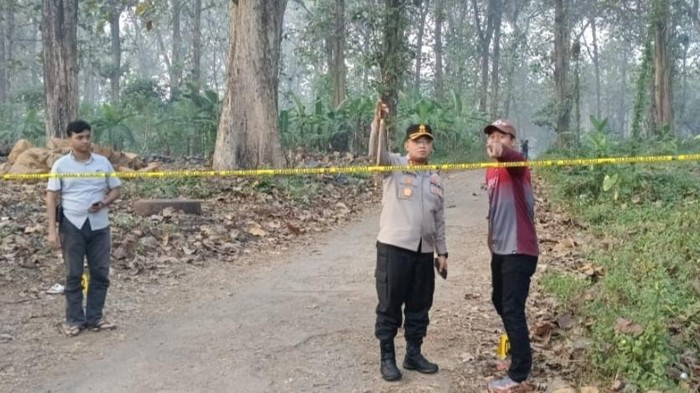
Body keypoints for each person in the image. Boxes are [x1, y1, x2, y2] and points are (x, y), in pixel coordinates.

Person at [368, 100, 448, 382]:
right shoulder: (394, 166)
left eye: (427, 141)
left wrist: (442, 252)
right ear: (407, 145)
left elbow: (438, 219)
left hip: (423, 253)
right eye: (417, 141)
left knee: (419, 306)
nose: (423, 146)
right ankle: (387, 358)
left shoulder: (435, 177)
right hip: (394, 249)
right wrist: (379, 124)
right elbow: (376, 157)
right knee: (389, 304)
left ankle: (413, 353)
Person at [46, 120, 122, 337]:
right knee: (73, 274)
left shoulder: (102, 162)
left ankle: (95, 317)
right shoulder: (61, 165)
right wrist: (52, 230)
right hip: (72, 224)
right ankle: (74, 320)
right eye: (79, 137)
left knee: (100, 272)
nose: (85, 141)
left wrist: (105, 202)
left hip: (99, 225)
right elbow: (51, 197)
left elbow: (116, 189)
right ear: (69, 139)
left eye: (87, 136)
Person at [483, 119, 539, 392]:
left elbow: (513, 158)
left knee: (512, 307)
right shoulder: (490, 172)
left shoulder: (518, 166)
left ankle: (519, 373)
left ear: (512, 142)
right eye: (491, 136)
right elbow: (494, 207)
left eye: (501, 137)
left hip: (520, 249)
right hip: (501, 249)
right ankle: (518, 350)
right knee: (499, 301)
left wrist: (502, 152)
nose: (495, 141)